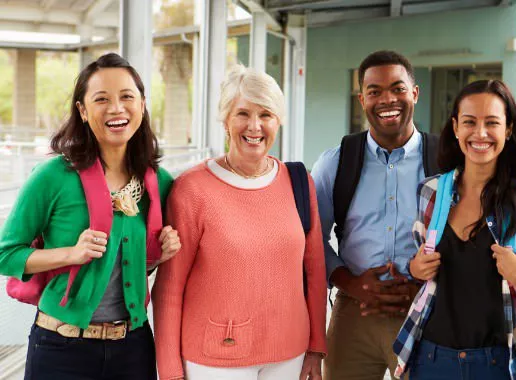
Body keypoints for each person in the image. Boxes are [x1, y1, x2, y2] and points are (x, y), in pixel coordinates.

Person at [0, 52, 179, 380]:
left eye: (127, 96)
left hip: (133, 347)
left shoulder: (159, 183)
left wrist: (159, 256)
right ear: (82, 110)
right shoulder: (53, 176)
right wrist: (71, 254)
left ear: (141, 104)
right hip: (60, 347)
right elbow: (4, 254)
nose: (117, 108)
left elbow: (132, 264)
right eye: (102, 99)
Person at [152, 64, 327, 380]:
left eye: (266, 115)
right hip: (214, 359)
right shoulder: (191, 189)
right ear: (225, 120)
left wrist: (316, 347)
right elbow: (169, 288)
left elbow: (314, 271)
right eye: (243, 113)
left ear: (278, 121)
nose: (255, 126)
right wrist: (169, 372)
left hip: (290, 352)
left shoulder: (300, 182)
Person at [394, 79, 516, 380]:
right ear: (455, 127)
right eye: (469, 122)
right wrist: (414, 267)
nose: (480, 133)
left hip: (498, 364)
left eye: (492, 123)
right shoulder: (431, 192)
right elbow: (416, 267)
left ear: (509, 129)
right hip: (431, 359)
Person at [311, 50, 440, 380]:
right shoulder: (336, 162)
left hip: (426, 310)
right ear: (362, 99)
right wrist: (350, 283)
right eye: (375, 91)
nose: (388, 99)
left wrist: (424, 286)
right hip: (355, 311)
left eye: (398, 88)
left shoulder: (444, 160)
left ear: (415, 92)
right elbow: (311, 239)